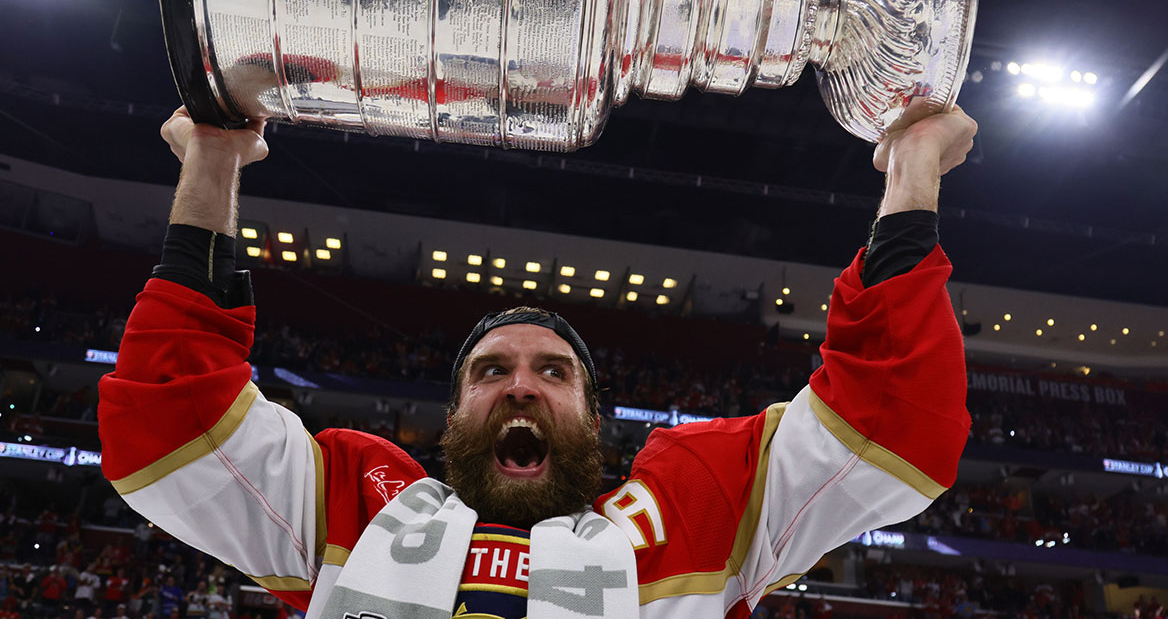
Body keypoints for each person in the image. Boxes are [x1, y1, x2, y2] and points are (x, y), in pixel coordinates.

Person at [99, 101, 977, 619]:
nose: (521, 383)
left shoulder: (696, 511)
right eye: (491, 371)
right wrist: (211, 161)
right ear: (451, 420)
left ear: (596, 422)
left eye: (554, 372)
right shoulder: (354, 503)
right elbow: (171, 416)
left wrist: (912, 175)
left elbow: (890, 418)